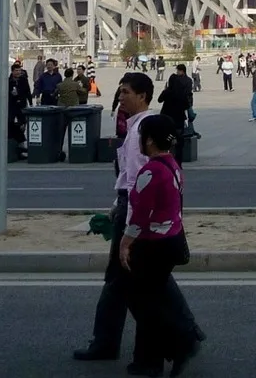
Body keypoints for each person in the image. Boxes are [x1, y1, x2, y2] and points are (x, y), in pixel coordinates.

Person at [73, 72, 203, 365]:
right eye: (120, 91)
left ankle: (119, 345)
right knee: (143, 281)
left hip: (133, 215)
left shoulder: (142, 132)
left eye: (126, 92)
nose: (120, 97)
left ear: (143, 95)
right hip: (130, 211)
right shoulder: (138, 128)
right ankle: (183, 335)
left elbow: (138, 183)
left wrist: (130, 228)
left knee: (125, 281)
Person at [121, 114, 200, 377]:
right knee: (153, 299)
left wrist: (125, 242)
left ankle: (178, 345)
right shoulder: (172, 166)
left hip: (153, 245)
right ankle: (162, 352)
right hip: (171, 239)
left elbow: (141, 215)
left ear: (150, 140)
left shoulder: (150, 171)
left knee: (144, 303)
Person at [159, 65, 195, 163]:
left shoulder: (167, 92)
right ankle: (178, 161)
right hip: (178, 120)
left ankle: (168, 158)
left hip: (167, 120)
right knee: (179, 141)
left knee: (168, 139)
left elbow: (159, 100)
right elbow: (186, 105)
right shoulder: (182, 94)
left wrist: (165, 90)